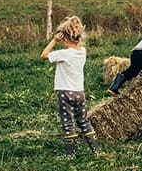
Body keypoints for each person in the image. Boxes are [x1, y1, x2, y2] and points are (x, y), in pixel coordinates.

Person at [40, 15, 100, 157]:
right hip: (80, 93)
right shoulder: (82, 52)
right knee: (83, 121)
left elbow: (44, 55)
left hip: (65, 93)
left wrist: (54, 40)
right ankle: (96, 151)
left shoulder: (64, 54)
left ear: (65, 38)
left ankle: (70, 154)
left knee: (68, 123)